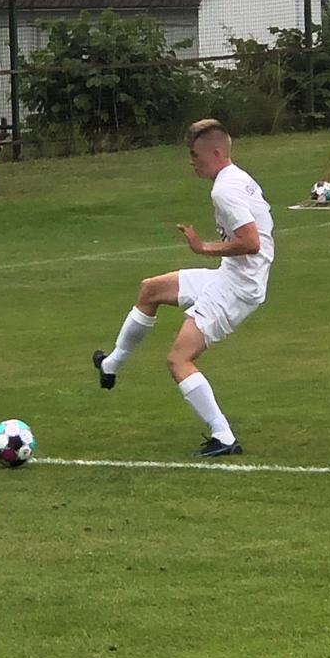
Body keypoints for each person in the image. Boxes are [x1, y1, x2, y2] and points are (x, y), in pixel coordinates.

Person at [92, 119, 274, 456]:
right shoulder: (238, 178)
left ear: (215, 153)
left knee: (179, 360)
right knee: (150, 290)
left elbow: (251, 243)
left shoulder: (224, 191)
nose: (191, 161)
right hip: (230, 276)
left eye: (194, 154)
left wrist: (203, 247)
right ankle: (110, 365)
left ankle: (224, 437)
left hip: (237, 288)